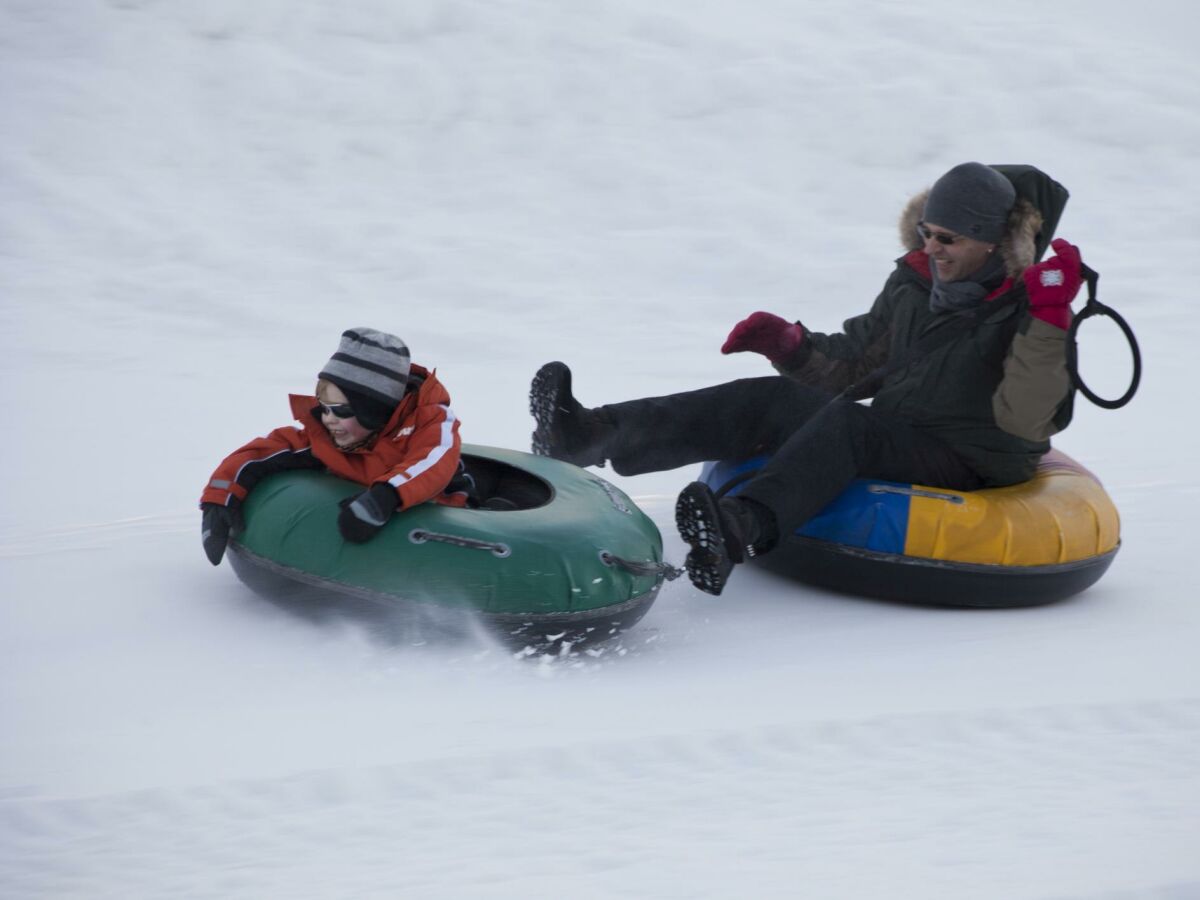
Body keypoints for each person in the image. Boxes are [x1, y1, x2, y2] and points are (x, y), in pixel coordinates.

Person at [530, 162, 1086, 595]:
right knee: (775, 398)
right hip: (904, 428)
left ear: (991, 241)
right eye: (927, 232)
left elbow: (1025, 416)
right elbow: (860, 362)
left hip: (972, 454)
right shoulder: (917, 283)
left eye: (949, 239)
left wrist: (1049, 318)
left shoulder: (1031, 308)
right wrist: (791, 348)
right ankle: (588, 433)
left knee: (849, 430)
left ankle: (739, 527)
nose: (932, 249)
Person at [200, 327, 470, 566]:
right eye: (325, 408)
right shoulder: (328, 437)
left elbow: (434, 459)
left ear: (371, 410)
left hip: (444, 514)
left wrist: (385, 496)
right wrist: (218, 496)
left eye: (340, 410)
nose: (328, 419)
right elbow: (265, 451)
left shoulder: (430, 423)